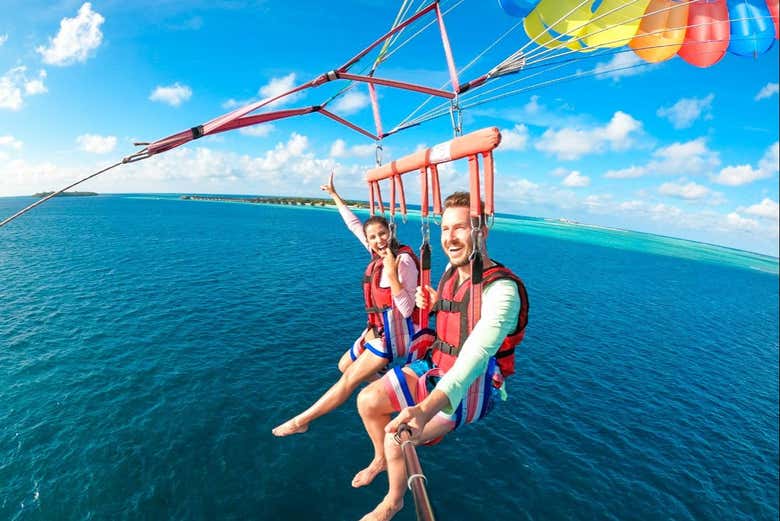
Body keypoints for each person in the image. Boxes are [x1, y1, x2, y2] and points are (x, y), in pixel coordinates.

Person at [354, 191, 529, 521]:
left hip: (473, 388)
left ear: (482, 229)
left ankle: (394, 501)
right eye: (445, 228)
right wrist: (435, 302)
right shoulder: (452, 268)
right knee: (367, 401)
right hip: (436, 364)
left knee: (396, 435)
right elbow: (458, 315)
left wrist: (424, 408)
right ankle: (380, 459)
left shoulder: (502, 291)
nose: (450, 237)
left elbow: (474, 356)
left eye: (460, 228)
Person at [272, 172, 421, 488]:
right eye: (373, 238)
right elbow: (354, 224)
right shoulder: (375, 253)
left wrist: (393, 276)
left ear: (390, 233)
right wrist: (336, 196)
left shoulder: (403, 261)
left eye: (382, 235)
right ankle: (389, 385)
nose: (378, 241)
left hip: (396, 336)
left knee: (349, 379)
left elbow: (408, 310)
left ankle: (303, 421)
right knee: (344, 364)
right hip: (376, 331)